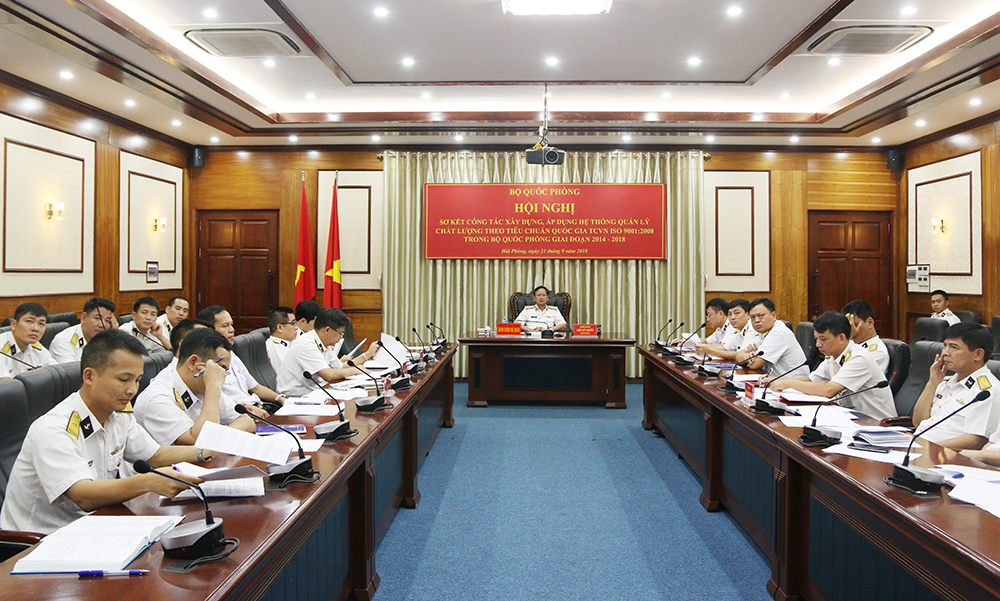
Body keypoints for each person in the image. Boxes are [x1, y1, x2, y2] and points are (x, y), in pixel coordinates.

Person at [0, 330, 205, 535]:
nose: (132, 390)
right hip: (39, 539)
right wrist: (149, 482)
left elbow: (156, 455)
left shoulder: (118, 415)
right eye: (124, 379)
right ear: (89, 376)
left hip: (94, 524)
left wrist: (204, 452)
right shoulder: (53, 429)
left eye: (137, 380)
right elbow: (83, 496)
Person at [134, 327, 255, 446]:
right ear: (193, 363)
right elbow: (202, 442)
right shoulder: (157, 398)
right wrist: (213, 388)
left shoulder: (204, 385)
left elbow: (247, 422)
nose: (222, 376)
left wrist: (219, 437)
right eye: (220, 369)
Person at [764, 312, 896, 420]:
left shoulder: (859, 358)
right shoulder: (833, 356)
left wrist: (787, 383)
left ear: (841, 338)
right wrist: (776, 380)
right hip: (851, 418)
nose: (818, 344)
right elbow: (811, 379)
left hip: (877, 424)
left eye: (823, 339)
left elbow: (829, 390)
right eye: (816, 339)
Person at [911, 323, 1000, 450]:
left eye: (954, 347)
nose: (945, 353)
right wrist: (932, 384)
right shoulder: (945, 382)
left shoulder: (986, 391)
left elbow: (975, 441)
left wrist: (926, 448)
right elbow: (918, 421)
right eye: (945, 346)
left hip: (944, 455)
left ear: (978, 355)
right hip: (918, 446)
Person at [197, 305, 286, 410]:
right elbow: (218, 402)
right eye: (225, 326)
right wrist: (248, 409)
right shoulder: (206, 363)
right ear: (209, 330)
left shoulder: (231, 354)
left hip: (257, 406)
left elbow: (256, 388)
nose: (231, 330)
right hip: (240, 412)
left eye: (231, 325)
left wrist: (280, 398)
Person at [277, 308, 379, 397]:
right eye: (340, 333)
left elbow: (340, 367)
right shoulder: (307, 344)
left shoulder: (322, 343)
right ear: (327, 330)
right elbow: (328, 375)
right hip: (295, 399)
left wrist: (366, 355)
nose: (341, 338)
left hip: (314, 393)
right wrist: (354, 370)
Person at [735, 298, 809, 378]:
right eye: (753, 317)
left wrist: (749, 357)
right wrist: (748, 356)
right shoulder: (763, 333)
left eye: (761, 316)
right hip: (775, 380)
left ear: (774, 315)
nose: (756, 320)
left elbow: (755, 364)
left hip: (793, 382)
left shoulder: (778, 332)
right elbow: (738, 356)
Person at [49, 298, 117, 364]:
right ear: (83, 317)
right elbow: (72, 370)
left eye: (107, 321)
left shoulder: (105, 339)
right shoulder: (63, 341)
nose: (102, 325)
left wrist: (114, 336)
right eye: (97, 318)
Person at [0, 302, 57, 379]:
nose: (35, 328)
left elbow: (57, 374)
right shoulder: (1, 347)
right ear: (13, 324)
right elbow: (6, 383)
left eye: (41, 324)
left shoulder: (38, 349)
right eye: (29, 321)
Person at [841, 299, 889, 373]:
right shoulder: (853, 346)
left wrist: (847, 339)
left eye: (855, 325)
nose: (852, 330)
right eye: (848, 327)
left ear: (870, 323)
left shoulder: (877, 352)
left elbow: (847, 374)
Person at [266, 306, 297, 372]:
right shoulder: (274, 347)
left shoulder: (290, 343)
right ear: (280, 328)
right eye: (293, 323)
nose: (296, 328)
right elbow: (289, 374)